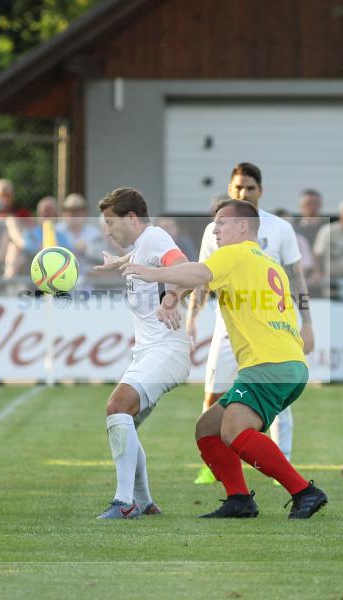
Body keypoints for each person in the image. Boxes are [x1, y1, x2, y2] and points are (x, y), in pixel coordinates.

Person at [123, 201, 328, 519]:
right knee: (208, 428)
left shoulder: (234, 254)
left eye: (221, 222)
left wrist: (152, 274)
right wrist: (173, 296)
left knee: (233, 430)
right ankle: (239, 499)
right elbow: (200, 281)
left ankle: (304, 492)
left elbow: (198, 272)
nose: (215, 229)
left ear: (243, 226)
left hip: (268, 364)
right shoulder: (267, 262)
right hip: (289, 363)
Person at [186, 163, 315, 486]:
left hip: (270, 329)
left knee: (275, 403)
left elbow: (296, 277)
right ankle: (217, 468)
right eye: (238, 188)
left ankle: (281, 465)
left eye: (250, 188)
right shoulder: (215, 229)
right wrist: (191, 319)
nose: (244, 193)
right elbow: (202, 277)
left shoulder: (279, 228)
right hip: (229, 326)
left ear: (261, 191)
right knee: (213, 396)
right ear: (230, 190)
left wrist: (308, 322)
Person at [92, 187, 190, 518]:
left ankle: (124, 502)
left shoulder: (154, 237)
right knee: (125, 421)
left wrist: (171, 298)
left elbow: (184, 266)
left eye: (110, 222)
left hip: (166, 350)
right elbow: (146, 259)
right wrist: (119, 261)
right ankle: (144, 503)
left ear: (131, 217)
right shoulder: (142, 246)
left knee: (117, 406)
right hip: (151, 352)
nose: (108, 232)